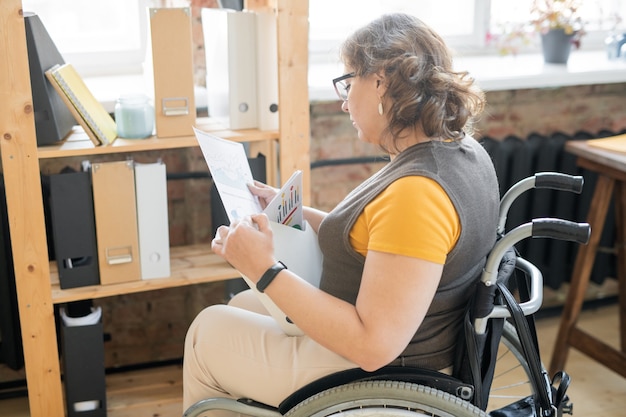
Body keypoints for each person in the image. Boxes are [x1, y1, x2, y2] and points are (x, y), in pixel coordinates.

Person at [183, 12, 499, 414]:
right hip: (405, 345)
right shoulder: (460, 151)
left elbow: (373, 345)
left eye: (349, 83)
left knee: (206, 332)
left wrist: (264, 269)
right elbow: (380, 235)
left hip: (385, 371)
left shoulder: (418, 193)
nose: (344, 99)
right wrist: (290, 211)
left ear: (381, 82)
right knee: (241, 307)